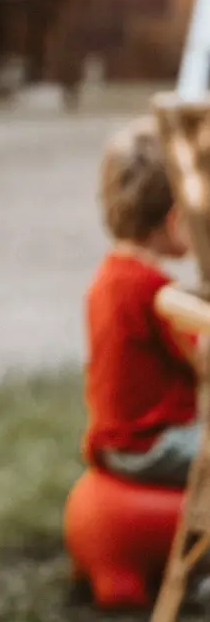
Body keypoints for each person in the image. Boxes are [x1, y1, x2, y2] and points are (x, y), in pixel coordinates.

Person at [84, 117, 200, 486]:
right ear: (175, 220)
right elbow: (202, 358)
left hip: (117, 441)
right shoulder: (155, 290)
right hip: (151, 445)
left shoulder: (110, 275)